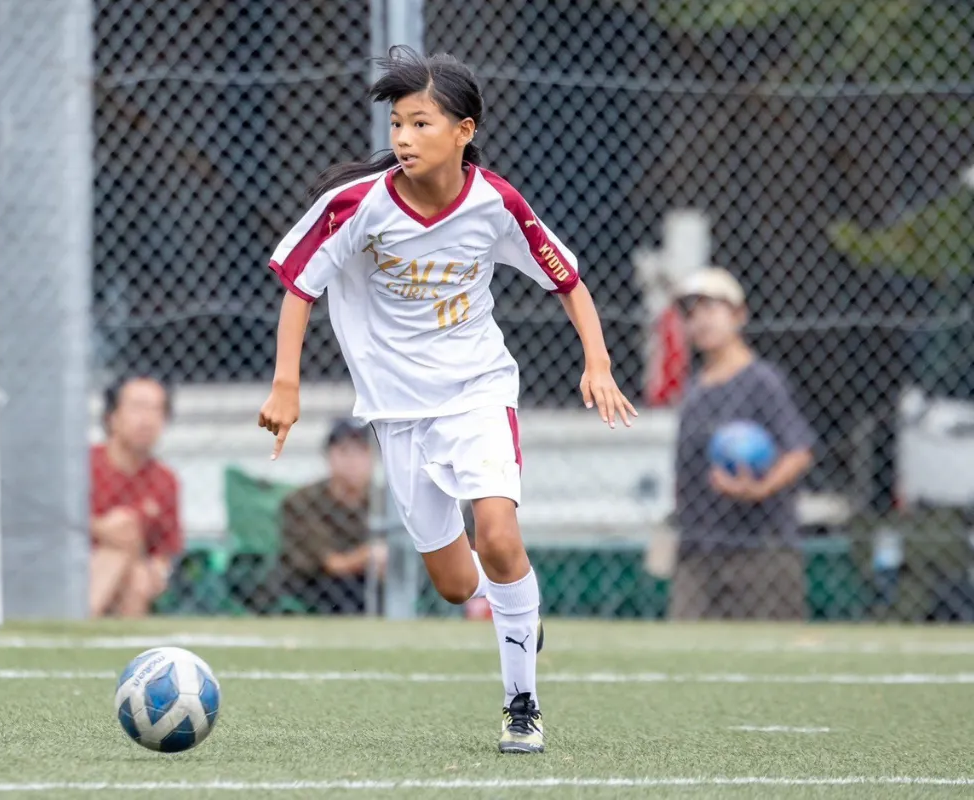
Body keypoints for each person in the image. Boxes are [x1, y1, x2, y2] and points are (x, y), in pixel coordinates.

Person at [257, 47, 636, 754]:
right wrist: (287, 383)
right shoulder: (357, 207)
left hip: (477, 392)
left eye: (421, 123)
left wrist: (599, 361)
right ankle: (517, 606)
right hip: (397, 413)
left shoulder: (496, 203)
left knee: (498, 535)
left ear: (464, 131)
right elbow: (299, 287)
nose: (404, 138)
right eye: (398, 124)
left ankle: (522, 702)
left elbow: (568, 281)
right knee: (458, 585)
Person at [671, 267, 815, 620]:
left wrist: (759, 488)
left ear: (739, 315)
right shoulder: (694, 390)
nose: (700, 321)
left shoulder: (762, 381)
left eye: (710, 308)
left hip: (759, 550)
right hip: (699, 551)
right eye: (691, 313)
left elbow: (799, 452)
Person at [89, 376, 183, 618]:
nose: (147, 420)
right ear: (111, 417)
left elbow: (164, 551)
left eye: (156, 410)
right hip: (79, 565)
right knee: (117, 551)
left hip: (135, 572)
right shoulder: (83, 466)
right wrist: (101, 528)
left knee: (138, 578)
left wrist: (155, 572)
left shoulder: (165, 481)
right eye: (137, 408)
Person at [279, 418, 386, 614]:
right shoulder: (304, 501)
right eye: (344, 451)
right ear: (328, 455)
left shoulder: (387, 501)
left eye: (362, 451)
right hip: (318, 589)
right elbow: (330, 563)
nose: (353, 461)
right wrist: (367, 555)